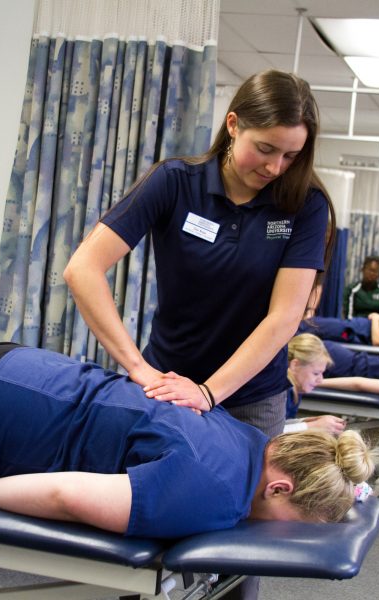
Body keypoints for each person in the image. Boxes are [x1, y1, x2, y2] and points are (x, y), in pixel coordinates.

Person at [0, 341, 376, 540]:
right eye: (296, 526)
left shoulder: (243, 435)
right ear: (279, 487)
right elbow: (65, 497)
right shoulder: (216, 493)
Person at [64, 70, 333, 439]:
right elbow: (82, 269)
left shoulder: (305, 205)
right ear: (234, 124)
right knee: (144, 492)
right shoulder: (174, 182)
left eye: (291, 156)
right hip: (167, 385)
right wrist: (138, 367)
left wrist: (209, 393)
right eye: (266, 149)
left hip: (251, 400)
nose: (275, 167)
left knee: (239, 497)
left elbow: (284, 316)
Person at [298, 313, 379, 346]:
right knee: (312, 323)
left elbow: (378, 341)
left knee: (312, 325)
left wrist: (375, 318)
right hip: (351, 325)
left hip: (350, 332)